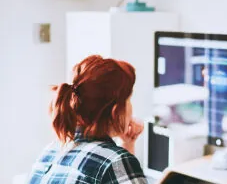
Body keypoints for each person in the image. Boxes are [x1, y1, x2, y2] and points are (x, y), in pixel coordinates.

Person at [27, 55, 147, 184]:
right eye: (128, 99)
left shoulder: (50, 152)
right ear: (116, 110)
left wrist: (127, 144)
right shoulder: (115, 160)